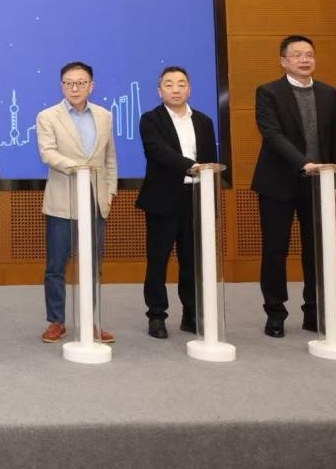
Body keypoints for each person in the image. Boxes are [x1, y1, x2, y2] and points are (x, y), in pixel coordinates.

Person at [252, 34, 336, 337]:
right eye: (297, 55)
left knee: (317, 251)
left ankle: (314, 313)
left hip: (319, 184)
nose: (305, 59)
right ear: (283, 61)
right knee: (275, 251)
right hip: (277, 183)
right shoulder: (268, 92)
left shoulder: (328, 93)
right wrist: (304, 163)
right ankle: (275, 313)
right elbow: (272, 135)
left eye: (309, 54)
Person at [36, 60, 118, 344]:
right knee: (56, 266)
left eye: (81, 83)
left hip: (95, 202)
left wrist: (110, 191)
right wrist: (77, 168)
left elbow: (109, 158)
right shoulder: (47, 116)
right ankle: (56, 321)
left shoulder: (104, 116)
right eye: (69, 83)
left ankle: (91, 321)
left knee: (93, 266)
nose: (75, 88)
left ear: (91, 86)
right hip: (61, 202)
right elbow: (47, 153)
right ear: (61, 86)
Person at [136, 66, 218, 339]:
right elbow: (158, 152)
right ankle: (156, 315)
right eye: (169, 84)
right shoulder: (151, 119)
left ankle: (191, 314)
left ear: (189, 89)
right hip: (163, 199)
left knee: (192, 261)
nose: (176, 89)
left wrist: (209, 194)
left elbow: (211, 160)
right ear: (160, 91)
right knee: (158, 261)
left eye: (181, 84)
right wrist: (192, 166)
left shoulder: (204, 121)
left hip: (196, 197)